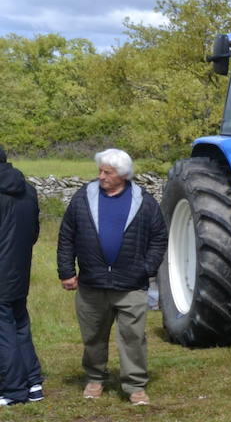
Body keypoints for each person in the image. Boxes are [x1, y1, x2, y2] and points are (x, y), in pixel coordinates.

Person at [57, 149, 168, 405]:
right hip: (92, 284)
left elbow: (159, 238)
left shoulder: (145, 202)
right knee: (93, 336)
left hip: (130, 285)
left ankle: (135, 386)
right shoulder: (83, 197)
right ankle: (95, 379)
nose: (101, 176)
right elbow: (67, 236)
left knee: (133, 337)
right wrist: (66, 271)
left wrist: (146, 269)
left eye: (107, 172)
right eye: (100, 171)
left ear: (123, 174)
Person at [0, 145, 43, 407]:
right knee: (20, 326)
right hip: (19, 269)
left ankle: (14, 391)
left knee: (4, 332)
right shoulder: (28, 190)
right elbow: (34, 232)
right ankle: (34, 384)